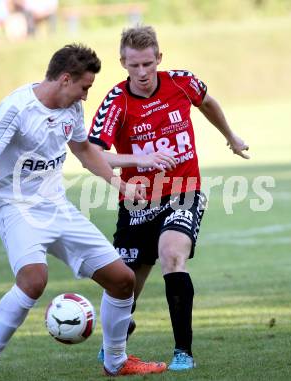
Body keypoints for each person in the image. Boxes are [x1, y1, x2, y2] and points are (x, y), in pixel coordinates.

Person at [0, 43, 167, 380]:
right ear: (64, 79)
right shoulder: (16, 109)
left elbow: (85, 150)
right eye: (84, 87)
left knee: (122, 280)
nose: (86, 96)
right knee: (33, 281)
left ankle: (116, 362)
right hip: (17, 209)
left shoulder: (71, 108)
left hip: (57, 206)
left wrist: (119, 184)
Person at [89, 25, 249, 371]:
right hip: (137, 202)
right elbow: (94, 154)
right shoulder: (116, 102)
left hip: (183, 192)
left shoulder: (182, 82)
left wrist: (231, 136)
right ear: (123, 63)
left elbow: (207, 102)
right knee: (126, 282)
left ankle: (183, 352)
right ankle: (116, 343)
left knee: (172, 254)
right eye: (134, 66)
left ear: (158, 58)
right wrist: (137, 160)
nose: (143, 73)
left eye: (148, 63)